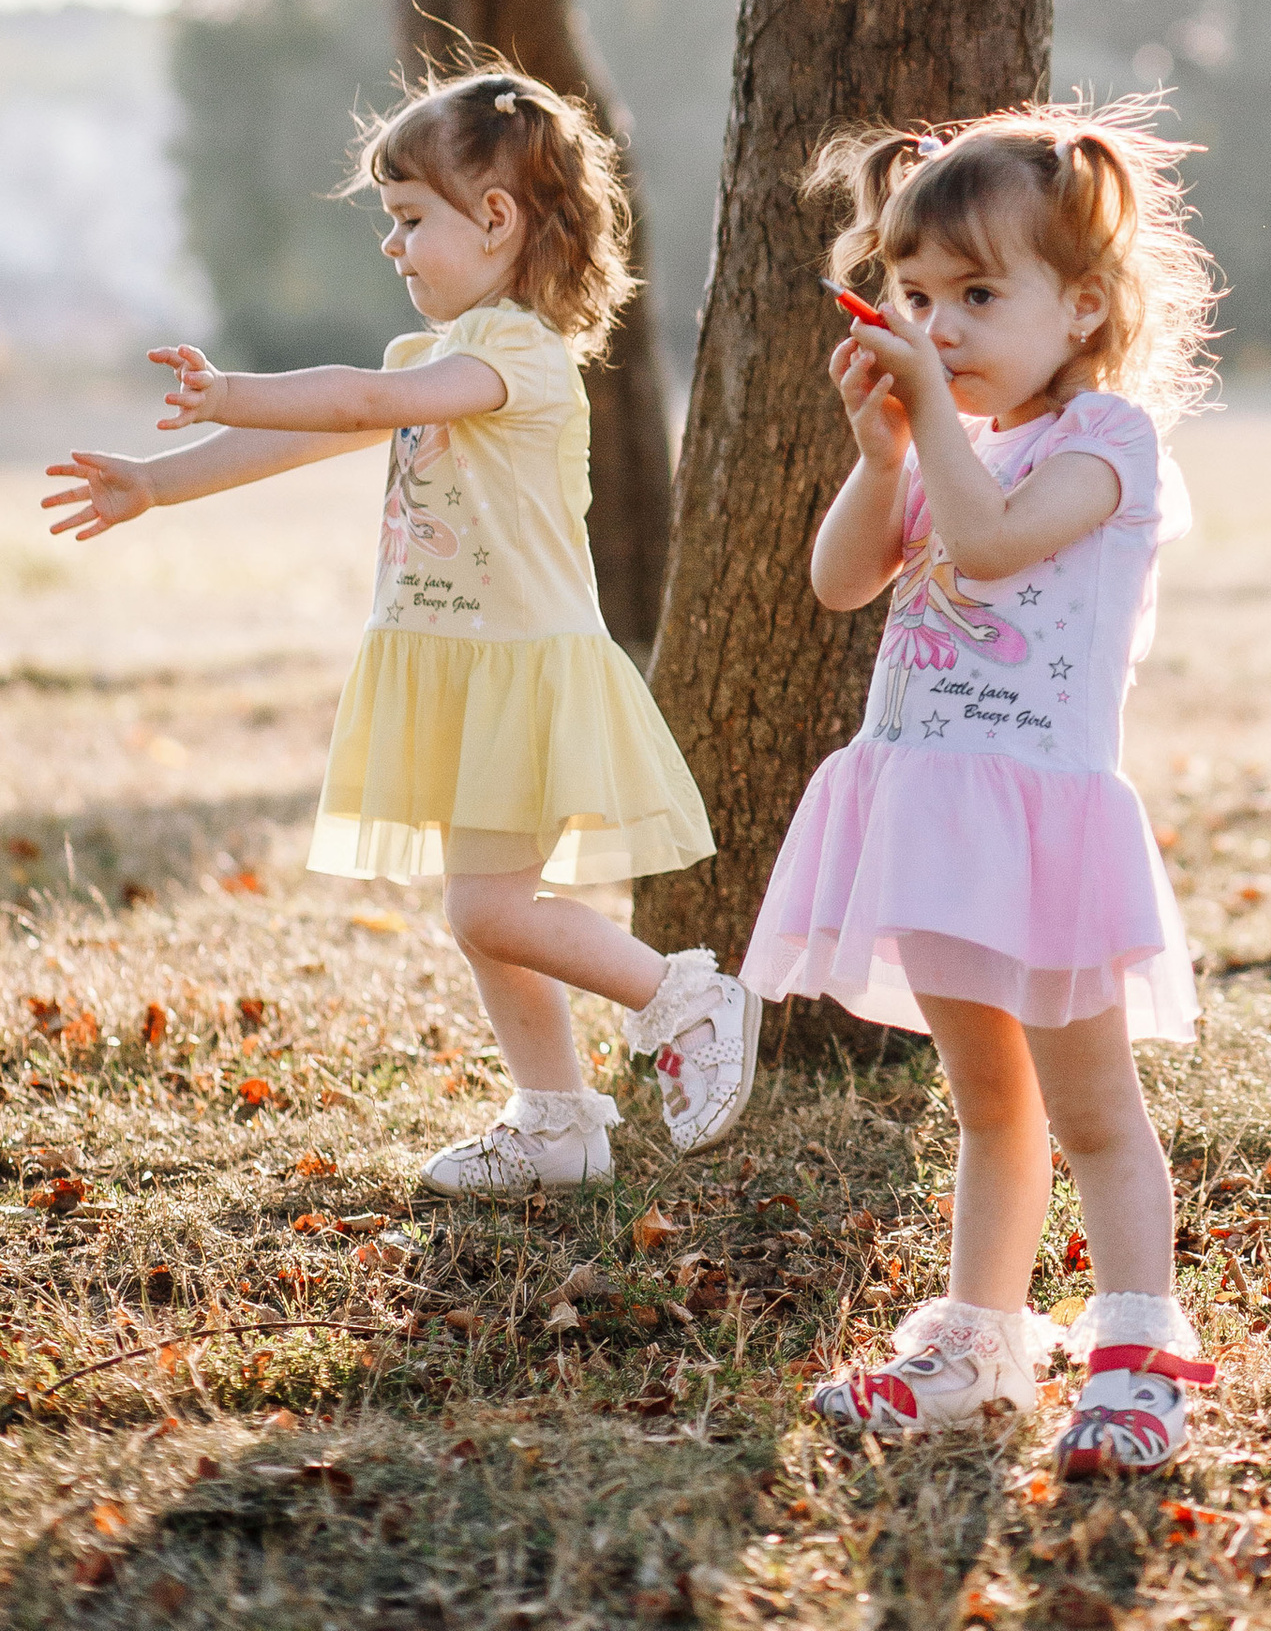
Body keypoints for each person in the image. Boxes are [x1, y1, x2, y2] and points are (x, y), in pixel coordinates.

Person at [42, 68, 759, 1195]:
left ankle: (684, 997)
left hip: (522, 670)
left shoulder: (516, 353)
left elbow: (348, 409)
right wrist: (158, 483)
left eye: (409, 219)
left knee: (486, 905)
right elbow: (315, 437)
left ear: (496, 219)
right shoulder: (426, 362)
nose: (393, 246)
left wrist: (230, 388)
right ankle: (557, 1123)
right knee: (484, 916)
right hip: (458, 669)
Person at [746, 103, 1214, 1472]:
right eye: (915, 296)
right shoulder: (954, 445)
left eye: (977, 295)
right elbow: (842, 581)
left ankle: (1139, 1346)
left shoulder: (1108, 443)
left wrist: (935, 429)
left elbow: (996, 547)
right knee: (988, 1107)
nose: (936, 326)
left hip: (1046, 828)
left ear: (1082, 309)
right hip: (934, 820)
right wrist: (884, 452)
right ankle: (980, 1338)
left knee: (1092, 1112)